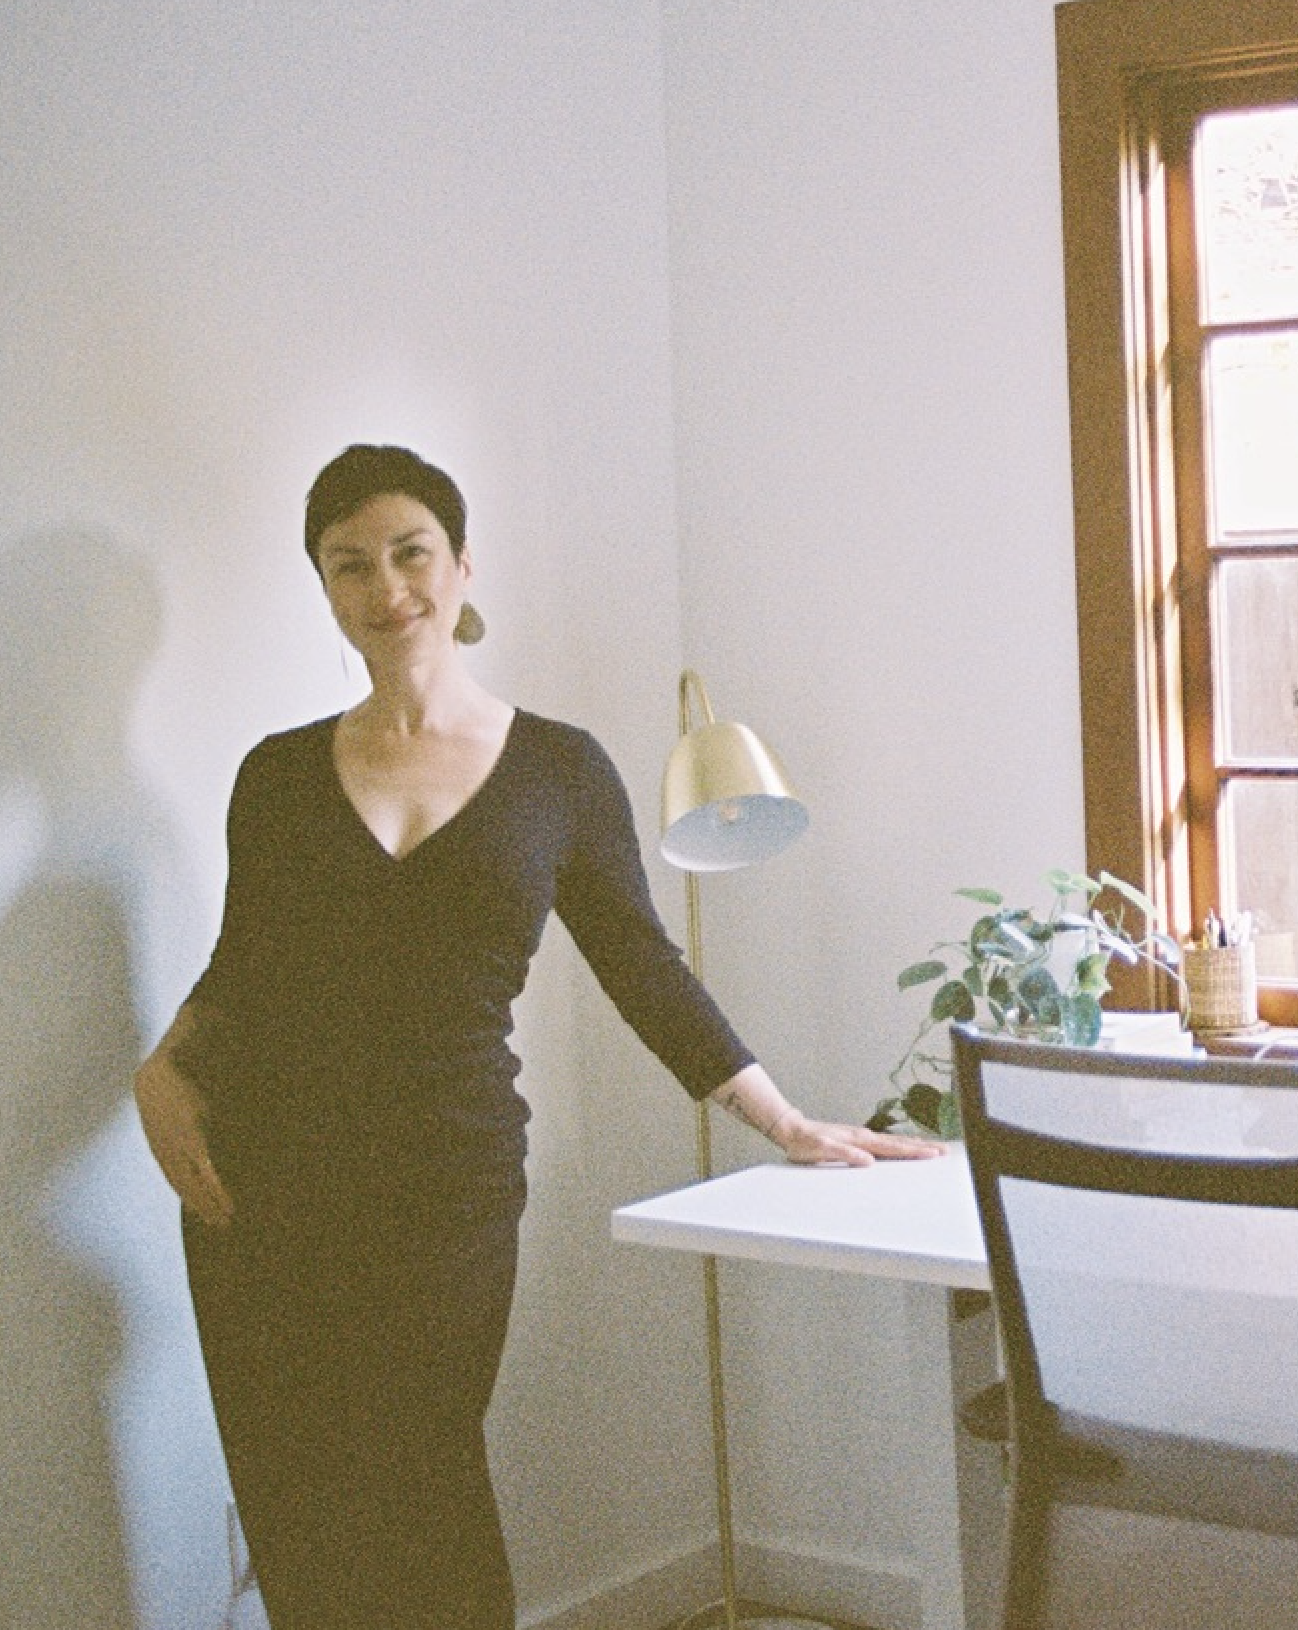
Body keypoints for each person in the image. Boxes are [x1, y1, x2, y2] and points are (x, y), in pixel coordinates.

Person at [131, 444, 937, 1629]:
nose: (384, 587)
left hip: (443, 1182)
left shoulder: (557, 769)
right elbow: (246, 966)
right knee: (302, 1510)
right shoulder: (279, 774)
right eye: (348, 564)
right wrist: (159, 1069)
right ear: (324, 586)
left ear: (462, 565)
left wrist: (783, 1118)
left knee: (423, 1487)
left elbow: (641, 964)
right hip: (265, 1189)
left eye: (410, 552)